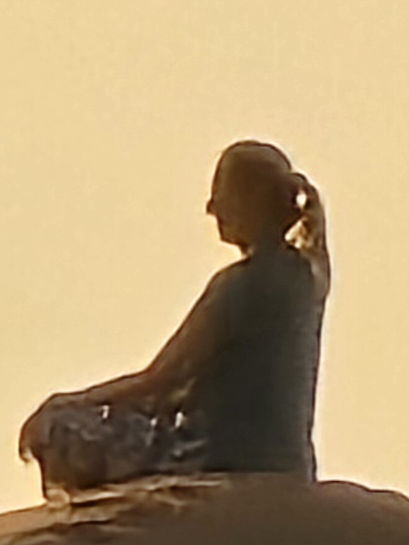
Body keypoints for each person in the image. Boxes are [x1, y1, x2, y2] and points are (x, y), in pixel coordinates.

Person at [20, 142, 329, 499]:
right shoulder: (309, 276)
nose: (211, 207)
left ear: (252, 199)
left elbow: (161, 379)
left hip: (218, 459)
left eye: (221, 193)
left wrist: (71, 401)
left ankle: (96, 523)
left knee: (57, 426)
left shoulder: (240, 284)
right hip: (290, 464)